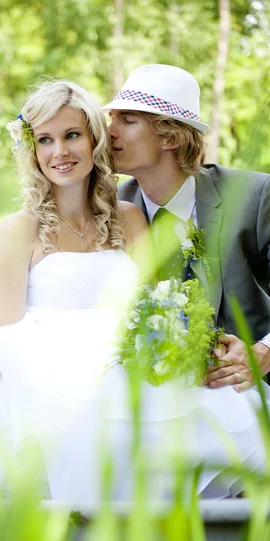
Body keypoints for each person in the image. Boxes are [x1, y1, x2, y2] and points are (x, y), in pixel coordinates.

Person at [0, 79, 269, 503]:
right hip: (48, 377)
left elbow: (156, 309)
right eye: (46, 140)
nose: (60, 152)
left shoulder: (129, 219)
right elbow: (3, 339)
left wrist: (188, 350)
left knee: (229, 408)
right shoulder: (19, 230)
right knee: (85, 416)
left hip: (130, 366)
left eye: (72, 135)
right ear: (32, 150)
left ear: (94, 139)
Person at [104, 64, 270, 391]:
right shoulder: (112, 211)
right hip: (162, 393)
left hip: (254, 391)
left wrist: (264, 352)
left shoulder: (255, 195)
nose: (109, 131)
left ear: (169, 136)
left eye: (128, 119)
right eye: (112, 118)